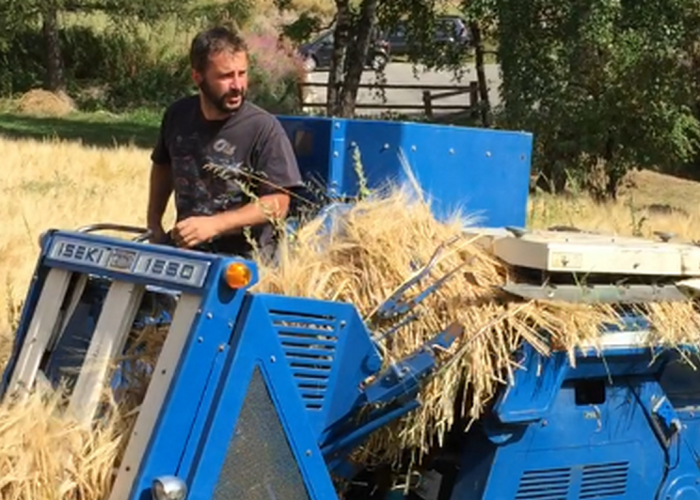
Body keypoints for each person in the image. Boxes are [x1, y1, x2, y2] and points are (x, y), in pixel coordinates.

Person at [146, 26, 303, 260]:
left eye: (242, 73)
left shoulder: (263, 128)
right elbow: (163, 166)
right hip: (188, 251)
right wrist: (154, 223)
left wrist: (215, 225)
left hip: (245, 260)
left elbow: (278, 203)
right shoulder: (177, 115)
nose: (237, 85)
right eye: (226, 76)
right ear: (197, 77)